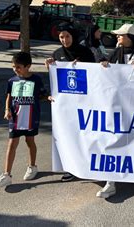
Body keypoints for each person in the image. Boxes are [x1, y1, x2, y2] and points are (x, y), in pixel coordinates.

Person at [97, 23, 134, 199]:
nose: (117, 37)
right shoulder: (117, 53)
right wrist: (103, 63)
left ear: (130, 38)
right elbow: (106, 70)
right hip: (116, 106)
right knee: (113, 139)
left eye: (121, 35)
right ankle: (111, 182)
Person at [44, 24, 95, 183]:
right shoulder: (57, 54)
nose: (64, 40)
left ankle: (88, 166)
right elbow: (55, 79)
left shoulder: (85, 52)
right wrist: (50, 69)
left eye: (67, 36)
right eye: (61, 37)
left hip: (84, 103)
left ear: (73, 36)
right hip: (66, 105)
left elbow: (95, 75)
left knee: (86, 135)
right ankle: (71, 168)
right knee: (69, 136)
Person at [0, 52, 49, 187]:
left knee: (30, 142)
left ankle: (32, 166)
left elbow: (42, 95)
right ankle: (6, 175)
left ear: (28, 66)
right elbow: (9, 96)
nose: (15, 70)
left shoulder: (36, 79)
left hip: (31, 117)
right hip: (15, 117)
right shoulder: (12, 81)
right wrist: (7, 110)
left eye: (18, 67)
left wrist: (48, 98)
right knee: (11, 144)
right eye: (13, 67)